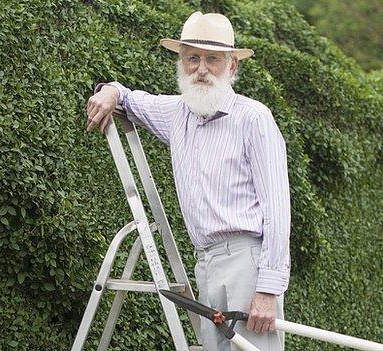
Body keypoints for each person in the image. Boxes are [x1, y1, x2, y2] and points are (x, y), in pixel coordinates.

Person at [85, 11, 291, 351]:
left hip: (246, 263)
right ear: (181, 63)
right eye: (192, 58)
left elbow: (278, 210)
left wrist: (268, 290)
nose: (201, 68)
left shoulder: (254, 119)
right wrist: (111, 91)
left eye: (212, 59)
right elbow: (131, 99)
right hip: (205, 263)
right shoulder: (177, 113)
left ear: (232, 67)